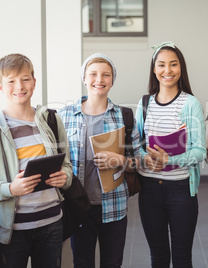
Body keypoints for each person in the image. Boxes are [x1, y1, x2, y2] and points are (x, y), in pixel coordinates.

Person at [0, 53, 72, 268]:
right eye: (11, 81)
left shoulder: (52, 119)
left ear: (34, 82)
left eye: (25, 78)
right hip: (13, 231)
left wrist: (64, 177)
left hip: (52, 224)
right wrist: (11, 188)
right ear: (1, 87)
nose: (19, 86)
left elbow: (67, 165)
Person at [58, 53, 140, 268]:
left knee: (112, 264)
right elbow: (45, 152)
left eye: (106, 75)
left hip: (114, 206)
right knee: (82, 263)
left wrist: (120, 160)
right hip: (78, 206)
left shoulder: (125, 116)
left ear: (112, 80)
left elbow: (140, 161)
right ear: (84, 78)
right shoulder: (64, 116)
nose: (99, 80)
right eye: (93, 74)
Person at [135, 41, 206, 268]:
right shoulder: (145, 103)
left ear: (181, 68)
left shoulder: (191, 103)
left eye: (173, 65)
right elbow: (135, 143)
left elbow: (199, 151)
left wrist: (170, 160)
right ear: (154, 70)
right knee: (158, 257)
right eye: (162, 65)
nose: (168, 70)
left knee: (182, 258)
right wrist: (144, 157)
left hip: (181, 191)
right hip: (150, 191)